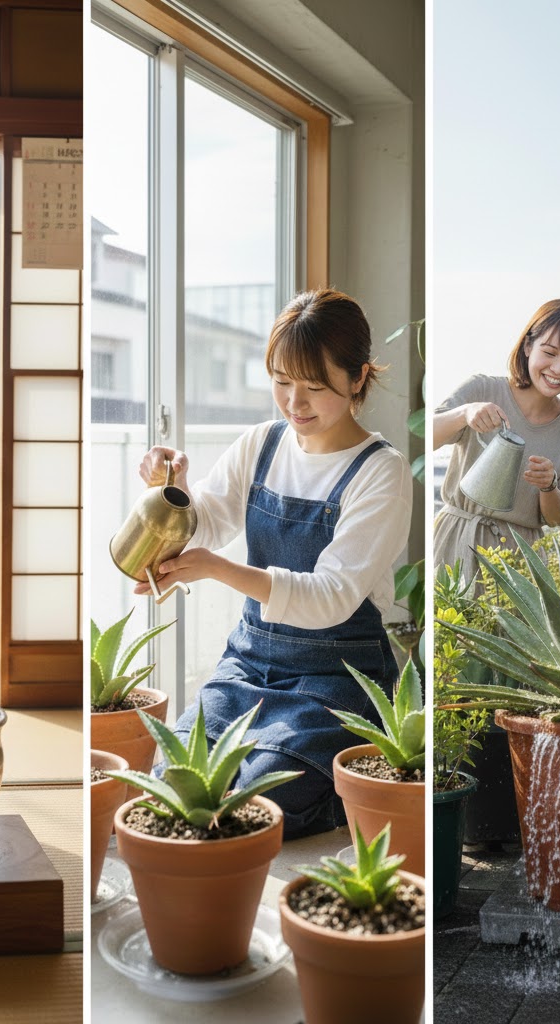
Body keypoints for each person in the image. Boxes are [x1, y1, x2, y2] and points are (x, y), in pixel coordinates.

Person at [135, 289, 413, 839]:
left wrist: (215, 568)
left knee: (252, 806)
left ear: (358, 379)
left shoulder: (382, 472)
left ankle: (346, 792)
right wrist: (174, 488)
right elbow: (208, 520)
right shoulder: (262, 442)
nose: (294, 402)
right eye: (282, 381)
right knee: (174, 791)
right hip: (248, 665)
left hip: (334, 678)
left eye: (314, 387)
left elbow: (331, 596)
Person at [433, 299, 560, 585]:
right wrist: (465, 413)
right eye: (549, 353)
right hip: (456, 539)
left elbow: (558, 519)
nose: (558, 369)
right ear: (527, 347)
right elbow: (428, 436)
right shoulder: (483, 388)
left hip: (522, 561)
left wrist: (549, 486)